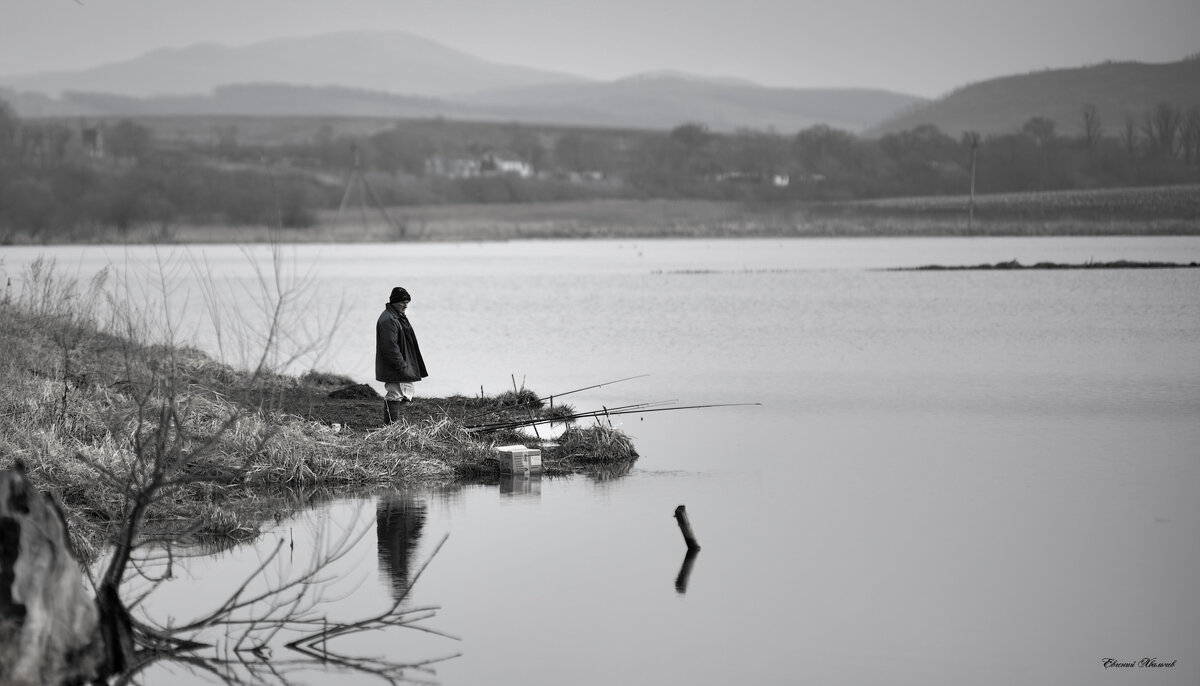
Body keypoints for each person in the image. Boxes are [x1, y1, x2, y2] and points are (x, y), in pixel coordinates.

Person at [376, 286, 428, 423]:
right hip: (396, 365)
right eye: (402, 302)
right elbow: (389, 346)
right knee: (395, 394)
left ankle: (394, 424)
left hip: (402, 364)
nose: (406, 305)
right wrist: (400, 364)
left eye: (407, 302)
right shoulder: (389, 319)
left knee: (406, 392)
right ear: (394, 302)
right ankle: (391, 427)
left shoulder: (397, 316)